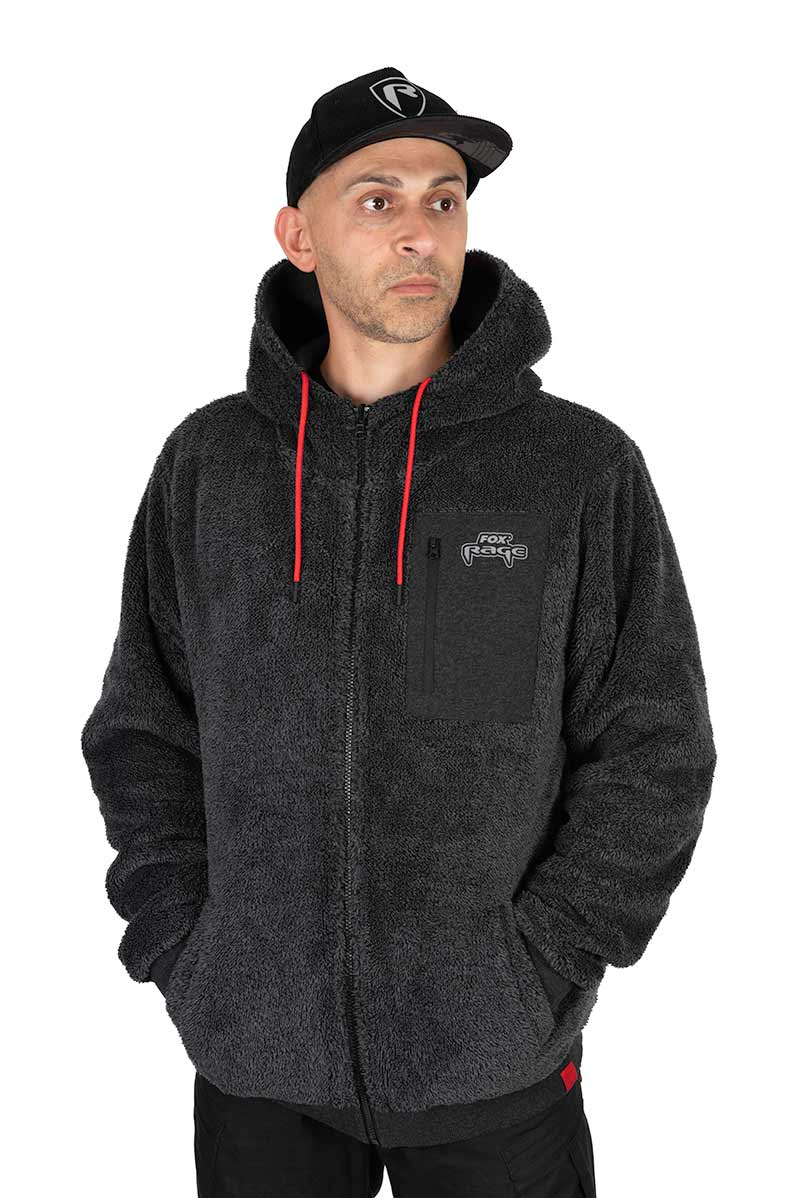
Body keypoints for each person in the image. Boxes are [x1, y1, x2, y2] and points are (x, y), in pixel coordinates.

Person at [81, 66, 717, 1196]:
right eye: (377, 200)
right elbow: (144, 727)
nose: (419, 231)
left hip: (494, 1069)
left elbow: (653, 746)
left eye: (443, 199)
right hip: (257, 1067)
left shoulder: (574, 468)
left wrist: (538, 966)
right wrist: (188, 946)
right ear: (299, 235)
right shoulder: (210, 465)